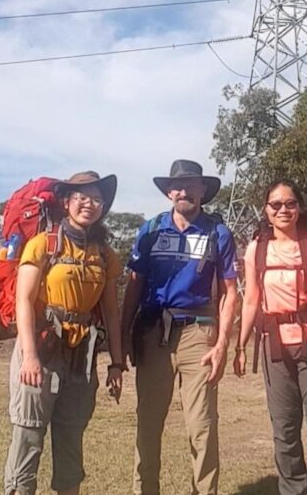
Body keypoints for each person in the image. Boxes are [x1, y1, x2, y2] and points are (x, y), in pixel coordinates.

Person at [121, 159, 238, 495]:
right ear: (169, 192)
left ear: (203, 190)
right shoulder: (150, 231)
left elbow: (231, 292)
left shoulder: (218, 233)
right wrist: (125, 334)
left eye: (192, 185)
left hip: (198, 333)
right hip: (152, 332)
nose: (184, 192)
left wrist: (222, 344)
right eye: (178, 186)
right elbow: (134, 285)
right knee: (148, 423)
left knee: (202, 426)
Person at [4, 171, 126, 495]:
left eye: (97, 198)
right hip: (42, 350)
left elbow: (112, 313)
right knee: (28, 436)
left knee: (71, 437)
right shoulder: (44, 243)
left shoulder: (104, 254)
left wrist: (116, 363)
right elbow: (24, 302)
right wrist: (29, 357)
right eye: (82, 197)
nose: (90, 204)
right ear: (68, 202)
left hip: (80, 356)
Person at [233, 179, 307, 495]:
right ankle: (293, 489)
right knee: (284, 427)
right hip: (274, 344)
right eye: (276, 205)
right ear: (266, 210)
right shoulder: (256, 249)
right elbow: (251, 300)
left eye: (290, 203)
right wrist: (240, 345)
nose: (284, 210)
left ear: (299, 207)